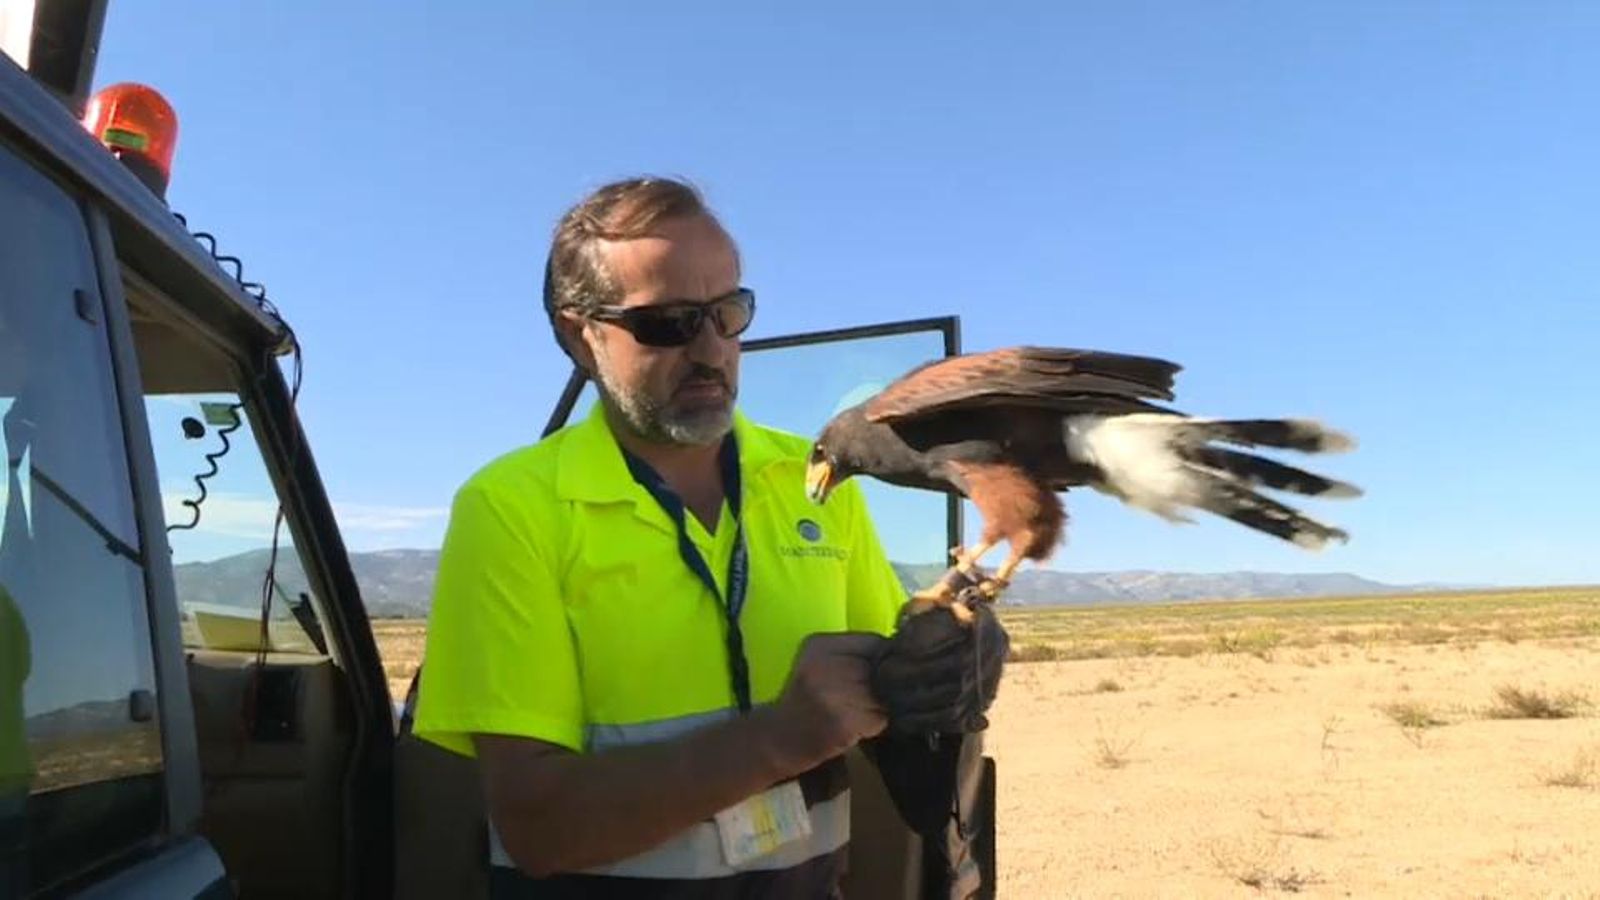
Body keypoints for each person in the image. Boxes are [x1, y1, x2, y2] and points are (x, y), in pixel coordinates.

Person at [411, 176, 1007, 898]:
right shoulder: (510, 509)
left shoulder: (813, 480)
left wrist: (948, 659)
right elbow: (537, 829)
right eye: (667, 323)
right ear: (580, 334)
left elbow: (897, 703)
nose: (711, 350)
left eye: (729, 313)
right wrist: (777, 739)